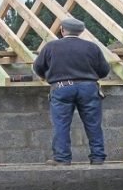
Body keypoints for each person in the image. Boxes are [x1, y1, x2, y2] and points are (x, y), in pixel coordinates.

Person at [33, 17, 110, 165]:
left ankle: (62, 158)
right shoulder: (92, 47)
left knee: (61, 124)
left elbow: (38, 68)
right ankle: (98, 157)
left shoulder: (51, 47)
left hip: (61, 88)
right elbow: (104, 70)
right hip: (88, 88)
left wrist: (50, 77)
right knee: (93, 124)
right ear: (81, 31)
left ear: (62, 30)